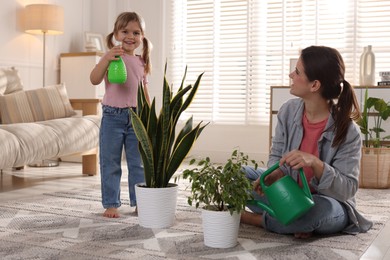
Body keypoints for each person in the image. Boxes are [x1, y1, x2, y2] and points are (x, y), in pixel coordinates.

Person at [241, 46, 373, 238]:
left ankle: (258, 219)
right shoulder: (287, 111)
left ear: (314, 85)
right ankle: (290, 219)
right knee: (237, 175)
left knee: (318, 213)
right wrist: (274, 173)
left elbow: (347, 189)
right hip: (289, 192)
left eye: (297, 72)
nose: (290, 75)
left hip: (328, 202)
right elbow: (276, 155)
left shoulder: (349, 131)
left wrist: (316, 164)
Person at [90, 12, 152, 218]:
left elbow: (144, 92)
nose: (130, 36)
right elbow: (94, 79)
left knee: (137, 164)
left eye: (136, 32)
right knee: (110, 162)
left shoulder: (141, 61)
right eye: (125, 31)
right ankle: (111, 204)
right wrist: (106, 58)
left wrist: (149, 117)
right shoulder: (111, 57)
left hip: (136, 118)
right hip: (112, 117)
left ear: (142, 36)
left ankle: (139, 202)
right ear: (116, 33)